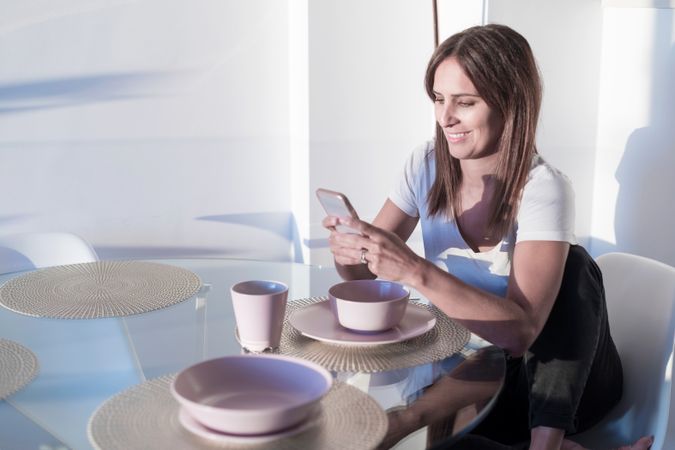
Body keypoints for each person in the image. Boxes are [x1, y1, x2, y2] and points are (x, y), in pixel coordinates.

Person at [323, 24, 653, 450]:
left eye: (466, 102)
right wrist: (349, 250)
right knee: (437, 436)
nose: (446, 118)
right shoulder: (425, 164)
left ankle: (548, 443)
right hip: (471, 372)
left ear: (509, 103)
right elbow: (361, 282)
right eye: (439, 100)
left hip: (560, 384)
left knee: (575, 266)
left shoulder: (542, 187)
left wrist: (413, 269)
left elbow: (520, 334)